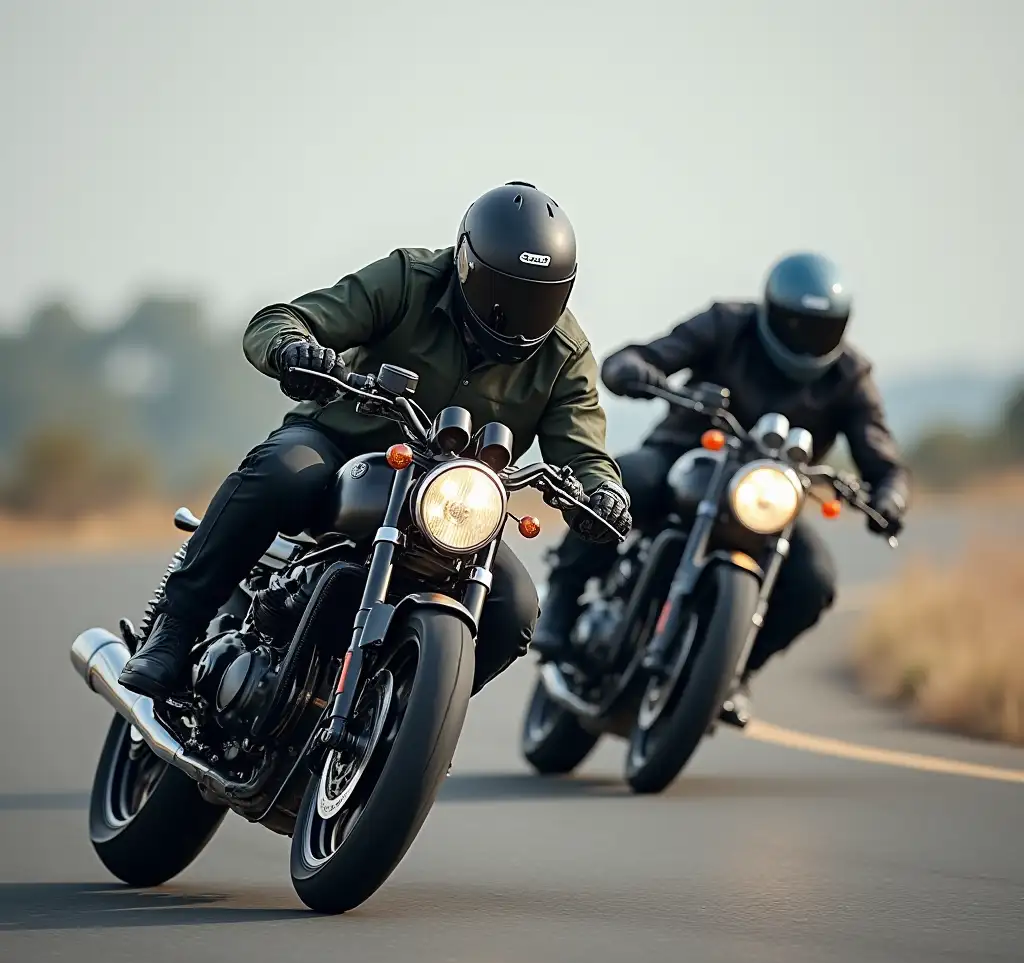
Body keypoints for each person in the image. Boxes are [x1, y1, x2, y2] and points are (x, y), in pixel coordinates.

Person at [118, 182, 632, 702]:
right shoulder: (409, 279)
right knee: (283, 470)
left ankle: (406, 718)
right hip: (342, 448)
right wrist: (294, 350)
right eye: (507, 292)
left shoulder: (566, 353)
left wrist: (603, 493)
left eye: (538, 297)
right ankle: (174, 629)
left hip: (451, 502)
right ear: (468, 266)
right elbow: (280, 320)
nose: (520, 313)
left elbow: (585, 448)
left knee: (515, 607)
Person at [531, 251, 909, 727]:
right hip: (683, 456)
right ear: (772, 310)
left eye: (821, 327)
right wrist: (635, 369)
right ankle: (562, 602)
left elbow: (882, 455)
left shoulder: (851, 376)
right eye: (797, 323)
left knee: (814, 580)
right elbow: (646, 355)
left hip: (766, 495)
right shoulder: (726, 324)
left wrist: (890, 496)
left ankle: (734, 671)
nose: (807, 338)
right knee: (617, 485)